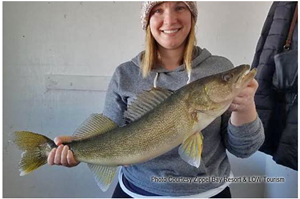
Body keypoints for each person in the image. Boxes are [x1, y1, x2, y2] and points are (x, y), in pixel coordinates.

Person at [47, 1, 265, 198]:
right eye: (158, 9)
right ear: (147, 20)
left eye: (180, 6)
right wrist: (76, 148)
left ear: (192, 16)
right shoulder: (125, 74)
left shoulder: (219, 67)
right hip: (135, 192)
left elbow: (244, 150)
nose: (170, 19)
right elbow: (108, 132)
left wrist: (245, 108)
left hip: (209, 193)